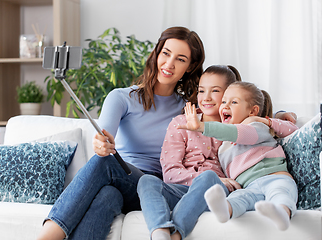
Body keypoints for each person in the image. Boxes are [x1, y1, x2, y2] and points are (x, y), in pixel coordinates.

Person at [36, 26, 206, 240]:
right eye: (166, 53)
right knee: (107, 194)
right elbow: (103, 138)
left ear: (190, 67)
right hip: (117, 180)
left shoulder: (189, 109)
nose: (169, 64)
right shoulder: (121, 98)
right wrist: (101, 145)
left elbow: (229, 120)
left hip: (152, 187)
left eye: (180, 59)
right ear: (156, 54)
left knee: (106, 164)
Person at [137, 65, 243, 240]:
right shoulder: (181, 123)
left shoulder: (237, 128)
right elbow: (170, 173)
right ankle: (160, 232)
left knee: (208, 177)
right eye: (201, 91)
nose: (206, 97)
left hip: (214, 192)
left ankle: (176, 234)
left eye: (215, 91)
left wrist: (281, 115)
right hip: (181, 190)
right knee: (146, 180)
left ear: (230, 95)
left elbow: (259, 116)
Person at [178, 81, 299, 231]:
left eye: (234, 102)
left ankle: (282, 213)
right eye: (223, 101)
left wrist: (202, 127)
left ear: (253, 111)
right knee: (239, 198)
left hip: (275, 177)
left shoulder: (255, 127)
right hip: (249, 187)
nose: (225, 106)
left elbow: (234, 132)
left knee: (281, 193)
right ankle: (225, 209)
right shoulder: (223, 147)